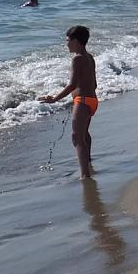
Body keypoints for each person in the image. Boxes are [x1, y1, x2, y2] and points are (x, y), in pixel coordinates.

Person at [38, 26, 98, 179]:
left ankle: (85, 174)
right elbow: (95, 83)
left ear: (76, 41)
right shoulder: (89, 57)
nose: (66, 44)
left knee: (76, 137)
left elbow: (72, 84)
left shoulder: (77, 58)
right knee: (84, 134)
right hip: (92, 101)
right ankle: (88, 162)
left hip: (82, 101)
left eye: (68, 41)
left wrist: (54, 99)